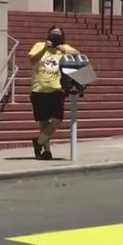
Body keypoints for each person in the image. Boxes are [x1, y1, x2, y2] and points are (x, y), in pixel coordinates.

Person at [27, 26, 80, 160]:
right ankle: (46, 151)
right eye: (53, 35)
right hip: (39, 89)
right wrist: (45, 48)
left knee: (57, 119)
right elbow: (32, 60)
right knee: (44, 122)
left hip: (57, 89)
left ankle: (38, 142)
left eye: (58, 35)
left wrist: (62, 48)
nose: (55, 37)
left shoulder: (63, 48)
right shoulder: (39, 45)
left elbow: (77, 55)